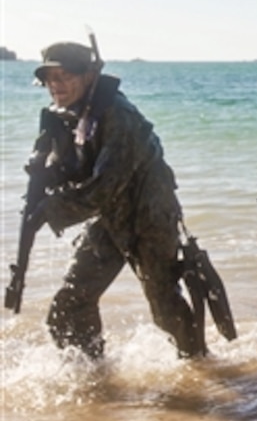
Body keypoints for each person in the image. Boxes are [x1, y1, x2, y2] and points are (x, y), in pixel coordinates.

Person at [28, 41, 206, 358]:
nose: (56, 85)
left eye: (65, 75)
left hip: (148, 218)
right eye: (50, 78)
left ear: (90, 75)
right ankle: (93, 376)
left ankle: (200, 368)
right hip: (110, 217)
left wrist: (50, 210)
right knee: (69, 304)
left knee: (165, 308)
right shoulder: (71, 114)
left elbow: (103, 188)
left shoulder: (119, 116)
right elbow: (78, 171)